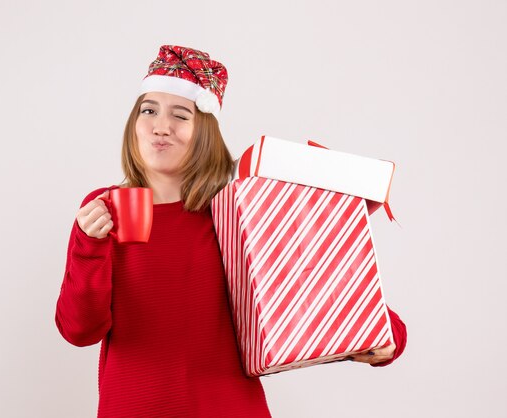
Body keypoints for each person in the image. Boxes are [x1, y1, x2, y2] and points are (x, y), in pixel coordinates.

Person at [55, 45, 407, 417]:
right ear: (133, 123)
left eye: (181, 115)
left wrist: (389, 338)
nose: (161, 125)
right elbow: (80, 330)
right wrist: (88, 243)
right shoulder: (104, 209)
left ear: (204, 131)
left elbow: (317, 282)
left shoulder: (235, 206)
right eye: (149, 110)